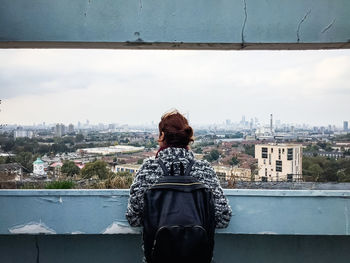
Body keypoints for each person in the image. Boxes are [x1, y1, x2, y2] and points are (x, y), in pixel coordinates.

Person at [126, 109, 232, 261]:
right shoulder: (204, 169)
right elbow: (223, 218)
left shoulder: (148, 169)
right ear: (187, 138)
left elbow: (133, 218)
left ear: (162, 136)